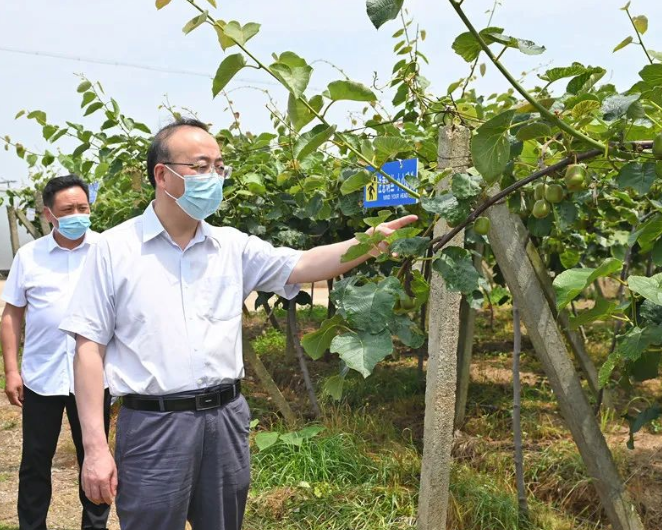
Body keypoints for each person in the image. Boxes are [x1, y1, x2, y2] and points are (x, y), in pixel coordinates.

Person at [59, 118, 416, 530]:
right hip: (154, 426)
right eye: (200, 166)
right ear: (163, 174)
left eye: (219, 166)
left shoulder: (231, 246)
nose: (214, 176)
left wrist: (371, 241)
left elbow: (302, 263)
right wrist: (95, 447)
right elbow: (88, 350)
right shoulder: (113, 250)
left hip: (225, 419)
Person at [1, 175, 111, 530]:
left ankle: (94, 526)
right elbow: (12, 314)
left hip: (94, 380)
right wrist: (12, 371)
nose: (78, 214)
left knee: (94, 458)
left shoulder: (106, 251)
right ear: (49, 214)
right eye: (68, 209)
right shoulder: (29, 257)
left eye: (83, 207)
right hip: (42, 377)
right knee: (35, 460)